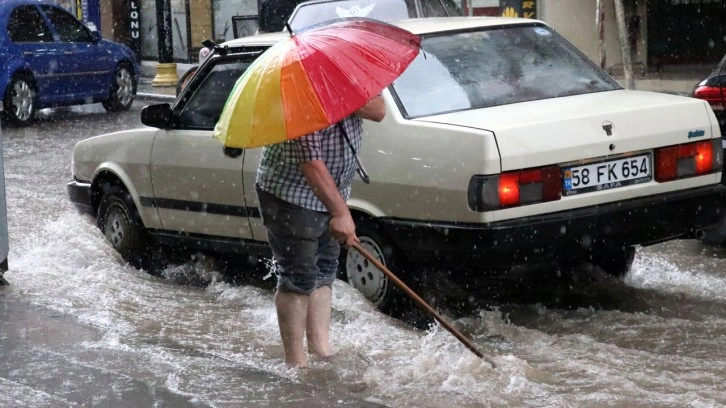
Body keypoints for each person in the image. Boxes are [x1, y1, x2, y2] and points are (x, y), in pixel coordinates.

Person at [256, 96, 385, 368]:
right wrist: (340, 213)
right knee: (298, 276)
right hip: (291, 194)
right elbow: (310, 163)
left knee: (324, 270)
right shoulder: (297, 94)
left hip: (333, 191)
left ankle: (321, 350)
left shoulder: (344, 82)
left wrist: (334, 97)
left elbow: (378, 110)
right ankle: (297, 363)